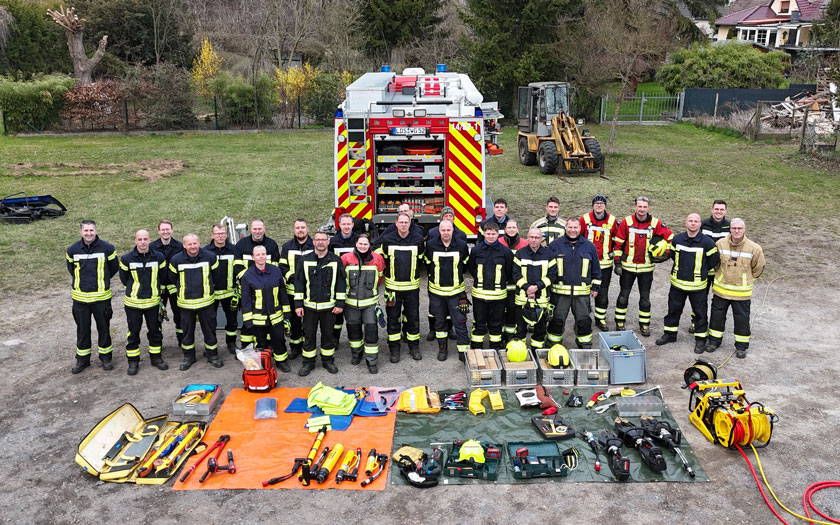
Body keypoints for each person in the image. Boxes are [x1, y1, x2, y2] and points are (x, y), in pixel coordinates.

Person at [655, 213, 720, 354]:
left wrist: (702, 271)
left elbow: (714, 260)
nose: (693, 223)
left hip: (698, 287)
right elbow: (672, 255)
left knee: (700, 314)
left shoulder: (707, 242)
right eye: (690, 221)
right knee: (673, 311)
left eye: (696, 221)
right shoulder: (677, 239)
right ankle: (670, 335)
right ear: (686, 223)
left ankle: (700, 340)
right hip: (677, 284)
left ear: (700, 224)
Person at [613, 196, 673, 336]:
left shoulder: (655, 223)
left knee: (645, 299)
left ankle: (644, 325)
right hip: (628, 268)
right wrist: (617, 263)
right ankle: (619, 321)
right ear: (635, 207)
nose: (642, 209)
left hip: (646, 269)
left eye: (644, 207)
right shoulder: (626, 222)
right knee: (623, 296)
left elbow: (670, 237)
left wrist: (667, 254)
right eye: (639, 206)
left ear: (648, 208)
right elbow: (618, 243)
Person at [706, 218, 765, 358]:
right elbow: (715, 263)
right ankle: (714, 341)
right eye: (734, 228)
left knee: (742, 320)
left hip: (741, 294)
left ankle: (741, 346)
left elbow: (759, 267)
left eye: (739, 228)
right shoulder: (720, 244)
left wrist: (748, 280)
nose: (736, 231)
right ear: (730, 229)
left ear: (744, 230)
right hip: (721, 291)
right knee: (716, 318)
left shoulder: (754, 248)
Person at [67, 220, 119, 374]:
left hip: (101, 298)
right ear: (81, 232)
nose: (88, 233)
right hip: (80, 299)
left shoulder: (107, 248)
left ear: (96, 231)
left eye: (91, 230)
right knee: (82, 330)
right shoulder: (72, 250)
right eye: (86, 231)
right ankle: (82, 360)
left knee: (104, 328)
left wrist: (102, 281)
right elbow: (71, 269)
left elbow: (113, 267)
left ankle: (105, 358)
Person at [374, 213, 426, 362]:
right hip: (392, 289)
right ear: (396, 224)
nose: (403, 224)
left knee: (413, 318)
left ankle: (414, 347)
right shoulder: (387, 240)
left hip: (412, 288)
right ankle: (394, 349)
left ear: (410, 224)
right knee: (393, 318)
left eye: (406, 222)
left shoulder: (417, 240)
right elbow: (380, 259)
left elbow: (421, 259)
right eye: (401, 222)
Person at [294, 231, 347, 376]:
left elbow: (341, 283)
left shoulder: (335, 260)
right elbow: (299, 283)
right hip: (309, 307)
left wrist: (340, 303)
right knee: (309, 336)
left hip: (329, 307)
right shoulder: (304, 260)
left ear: (328, 242)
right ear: (313, 242)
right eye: (318, 240)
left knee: (328, 335)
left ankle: (328, 360)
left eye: (323, 240)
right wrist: (298, 304)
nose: (320, 242)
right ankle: (308, 363)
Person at [169, 234, 222, 370]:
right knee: (187, 332)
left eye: (195, 243)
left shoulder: (210, 257)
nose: (192, 247)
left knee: (209, 330)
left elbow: (216, 276)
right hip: (185, 304)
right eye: (189, 244)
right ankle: (188, 357)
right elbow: (172, 278)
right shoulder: (176, 260)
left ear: (199, 243)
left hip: (206, 303)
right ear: (184, 245)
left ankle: (213, 355)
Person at [546, 218, 601, 348]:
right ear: (566, 228)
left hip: (581, 295)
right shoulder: (555, 245)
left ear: (580, 228)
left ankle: (585, 346)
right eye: (570, 227)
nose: (572, 230)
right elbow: (548, 269)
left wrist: (596, 287)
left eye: (575, 227)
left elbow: (596, 269)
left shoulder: (589, 246)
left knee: (584, 322)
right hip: (559, 294)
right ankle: (553, 345)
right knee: (556, 322)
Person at [119, 229, 168, 375]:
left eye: (145, 239)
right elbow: (124, 278)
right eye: (139, 239)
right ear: (135, 241)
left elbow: (163, 276)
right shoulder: (126, 259)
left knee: (155, 331)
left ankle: (156, 358)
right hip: (133, 304)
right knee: (133, 333)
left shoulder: (159, 257)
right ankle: (133, 361)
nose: (142, 242)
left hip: (153, 303)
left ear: (149, 240)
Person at [240, 245, 292, 372]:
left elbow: (282, 293)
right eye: (258, 255)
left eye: (263, 254)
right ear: (253, 257)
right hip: (258, 318)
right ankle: (262, 363)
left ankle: (281, 362)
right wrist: (248, 320)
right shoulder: (248, 275)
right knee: (260, 343)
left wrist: (287, 314)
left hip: (276, 316)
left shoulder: (275, 271)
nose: (261, 256)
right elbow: (246, 300)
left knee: (279, 339)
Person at [424, 220, 471, 361]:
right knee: (439, 323)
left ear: (453, 230)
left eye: (448, 230)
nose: (445, 233)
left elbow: (465, 265)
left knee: (460, 322)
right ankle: (442, 349)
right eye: (443, 230)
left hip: (456, 292)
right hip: (437, 292)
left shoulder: (461, 245)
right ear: (439, 230)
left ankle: (463, 351)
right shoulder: (431, 245)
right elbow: (427, 264)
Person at [341, 234, 386, 373]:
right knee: (353, 331)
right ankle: (357, 353)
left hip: (370, 303)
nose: (362, 246)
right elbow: (341, 279)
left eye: (365, 244)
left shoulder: (377, 259)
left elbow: (379, 279)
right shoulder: (346, 258)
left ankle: (371, 361)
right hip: (351, 304)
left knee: (371, 331)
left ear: (369, 245)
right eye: (360, 243)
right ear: (356, 244)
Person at [236, 219, 282, 349]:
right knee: (248, 322)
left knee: (266, 322)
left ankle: (266, 348)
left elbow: (274, 269)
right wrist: (251, 280)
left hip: (268, 291)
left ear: (264, 229)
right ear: (251, 229)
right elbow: (237, 269)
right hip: (248, 290)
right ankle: (246, 348)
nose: (257, 231)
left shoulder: (272, 245)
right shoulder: (241, 245)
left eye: (260, 229)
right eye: (255, 229)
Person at [467, 222, 513, 350]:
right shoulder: (476, 250)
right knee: (479, 324)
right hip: (479, 296)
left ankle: (495, 348)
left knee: (496, 324)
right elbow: (472, 269)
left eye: (493, 234)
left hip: (498, 297)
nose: (491, 236)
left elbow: (509, 272)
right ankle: (477, 348)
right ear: (484, 234)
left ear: (498, 234)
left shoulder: (506, 252)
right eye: (488, 234)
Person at [512, 228, 557, 349]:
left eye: (537, 237)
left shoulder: (549, 254)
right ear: (527, 237)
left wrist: (537, 287)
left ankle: (536, 353)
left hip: (541, 300)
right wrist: (527, 288)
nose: (534, 240)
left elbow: (552, 276)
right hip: (522, 299)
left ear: (542, 238)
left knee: (540, 330)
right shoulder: (520, 253)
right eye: (531, 237)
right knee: (520, 329)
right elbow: (515, 275)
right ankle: (519, 353)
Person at [580, 194, 619, 331]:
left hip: (605, 265)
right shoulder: (584, 219)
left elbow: (618, 240)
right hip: (586, 265)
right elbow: (579, 238)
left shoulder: (613, 220)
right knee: (583, 292)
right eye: (596, 203)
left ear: (605, 206)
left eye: (602, 203)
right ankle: (582, 318)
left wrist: (617, 260)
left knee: (602, 293)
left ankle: (600, 318)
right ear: (592, 205)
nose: (599, 205)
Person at [424, 206, 463, 341]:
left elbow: (464, 262)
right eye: (445, 216)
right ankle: (432, 329)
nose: (448, 218)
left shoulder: (461, 235)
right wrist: (433, 275)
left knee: (451, 310)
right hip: (436, 282)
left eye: (450, 217)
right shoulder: (432, 234)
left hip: (453, 283)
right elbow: (427, 261)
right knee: (434, 308)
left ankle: (449, 328)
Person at [693, 200, 731, 333]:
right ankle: (695, 322)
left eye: (721, 209)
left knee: (719, 299)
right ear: (712, 210)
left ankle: (716, 325)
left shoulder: (730, 226)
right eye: (716, 209)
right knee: (699, 298)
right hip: (703, 268)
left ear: (725, 211)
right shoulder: (702, 224)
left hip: (720, 270)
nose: (719, 212)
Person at [278, 219, 313, 359]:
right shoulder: (287, 247)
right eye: (297, 227)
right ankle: (295, 348)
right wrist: (293, 278)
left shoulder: (314, 245)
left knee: (309, 322)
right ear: (294, 230)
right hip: (292, 291)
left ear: (307, 229)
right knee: (295, 322)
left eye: (303, 227)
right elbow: (282, 266)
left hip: (311, 292)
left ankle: (308, 347)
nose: (300, 230)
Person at [206, 224, 240, 354]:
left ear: (226, 235)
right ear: (212, 235)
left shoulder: (234, 250)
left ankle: (231, 343)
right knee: (210, 322)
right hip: (211, 294)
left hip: (229, 293)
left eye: (222, 233)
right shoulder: (205, 252)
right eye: (217, 233)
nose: (220, 236)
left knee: (232, 321)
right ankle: (211, 345)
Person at [150, 220, 183, 345]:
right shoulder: (152, 247)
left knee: (179, 315)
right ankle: (157, 342)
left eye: (168, 229)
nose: (165, 232)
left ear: (172, 230)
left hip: (176, 287)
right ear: (158, 231)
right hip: (158, 288)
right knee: (156, 317)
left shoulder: (180, 246)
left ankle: (182, 341)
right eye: (163, 229)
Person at [329, 213, 358, 347]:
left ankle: (355, 340)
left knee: (354, 315)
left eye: (348, 224)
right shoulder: (333, 242)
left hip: (355, 283)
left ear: (353, 225)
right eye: (343, 224)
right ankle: (335, 339)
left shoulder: (358, 240)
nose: (346, 227)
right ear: (339, 225)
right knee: (337, 314)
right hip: (338, 282)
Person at [499, 220, 528, 342]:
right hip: (500, 284)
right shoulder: (498, 242)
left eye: (514, 227)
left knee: (512, 311)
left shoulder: (524, 243)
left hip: (517, 284)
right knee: (500, 311)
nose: (511, 229)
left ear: (517, 229)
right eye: (509, 227)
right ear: (505, 229)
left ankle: (510, 336)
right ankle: (499, 336)